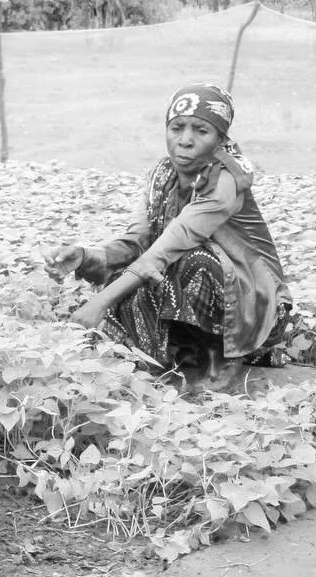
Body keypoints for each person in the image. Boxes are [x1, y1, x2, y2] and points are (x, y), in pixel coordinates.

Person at [44, 82, 291, 392]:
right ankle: (180, 355)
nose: (185, 141)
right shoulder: (161, 175)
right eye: (177, 128)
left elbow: (168, 246)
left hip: (257, 305)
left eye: (201, 131)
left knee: (192, 261)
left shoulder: (225, 181)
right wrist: (85, 256)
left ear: (219, 139)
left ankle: (225, 361)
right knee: (132, 280)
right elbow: (139, 242)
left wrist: (100, 303)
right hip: (213, 286)